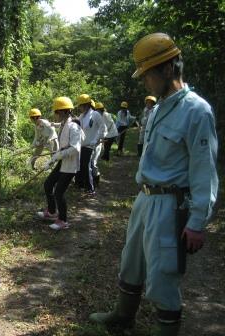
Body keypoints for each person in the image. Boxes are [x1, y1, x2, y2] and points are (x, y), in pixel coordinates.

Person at [89, 33, 218, 335]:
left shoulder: (197, 111)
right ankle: (123, 316)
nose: (144, 81)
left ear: (168, 69)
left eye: (147, 74)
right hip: (145, 198)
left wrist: (198, 221)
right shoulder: (159, 108)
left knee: (163, 275)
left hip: (171, 204)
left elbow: (205, 171)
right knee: (131, 261)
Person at [36, 97, 84, 230]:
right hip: (62, 162)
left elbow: (75, 148)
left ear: (63, 111)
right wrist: (52, 159)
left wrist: (59, 155)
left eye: (56, 112)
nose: (55, 115)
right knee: (48, 184)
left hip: (70, 165)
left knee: (59, 192)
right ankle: (51, 212)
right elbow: (63, 146)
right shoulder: (64, 123)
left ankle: (63, 221)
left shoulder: (73, 126)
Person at [76, 94, 106, 196]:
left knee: (86, 166)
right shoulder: (81, 116)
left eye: (80, 105)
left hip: (90, 145)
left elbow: (103, 128)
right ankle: (82, 186)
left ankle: (90, 189)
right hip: (82, 145)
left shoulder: (95, 114)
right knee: (81, 166)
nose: (79, 108)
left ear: (86, 105)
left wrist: (96, 139)